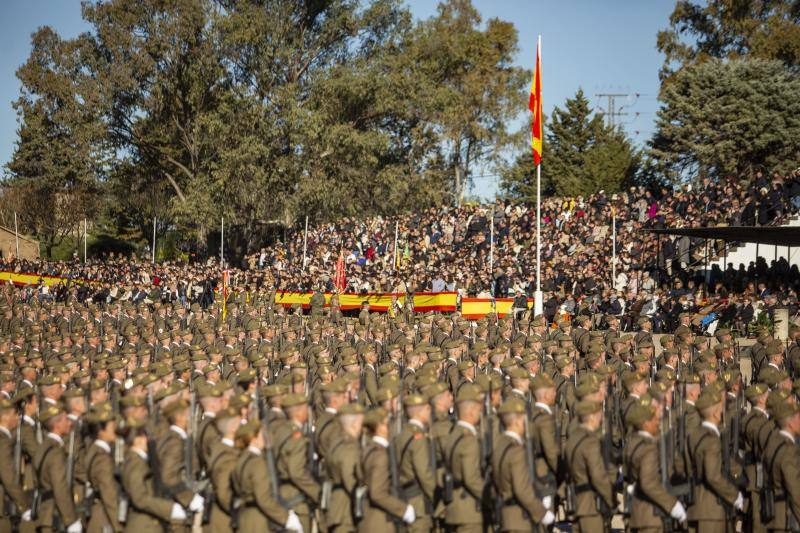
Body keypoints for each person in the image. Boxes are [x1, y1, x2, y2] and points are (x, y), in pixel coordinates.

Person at [491, 398, 554, 531]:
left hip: (506, 516)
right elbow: (522, 489)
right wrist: (542, 512)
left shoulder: (499, 445)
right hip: (520, 519)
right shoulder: (516, 451)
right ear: (517, 422)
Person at [230, 419, 301, 532]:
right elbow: (263, 498)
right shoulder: (258, 463)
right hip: (259, 521)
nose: (265, 438)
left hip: (244, 518)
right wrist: (286, 518)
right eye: (261, 435)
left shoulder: (241, 459)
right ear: (253, 438)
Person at [356, 407, 414, 532]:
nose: (391, 428)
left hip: (368, 518)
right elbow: (377, 493)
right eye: (388, 424)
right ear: (380, 427)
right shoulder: (380, 455)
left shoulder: (368, 449)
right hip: (380, 523)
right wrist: (403, 510)